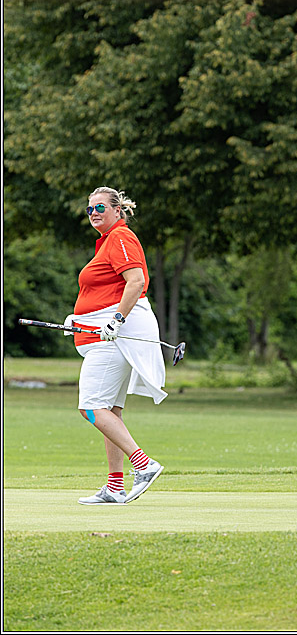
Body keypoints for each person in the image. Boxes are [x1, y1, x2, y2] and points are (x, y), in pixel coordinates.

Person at [70, 187, 166, 505]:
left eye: (100, 207)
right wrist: (81, 319)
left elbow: (136, 281)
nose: (94, 213)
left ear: (117, 210)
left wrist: (116, 320)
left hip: (113, 340)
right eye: (89, 209)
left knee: (91, 407)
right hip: (104, 337)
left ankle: (144, 464)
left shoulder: (121, 237)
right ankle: (114, 486)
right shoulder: (107, 242)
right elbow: (104, 293)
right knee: (110, 411)